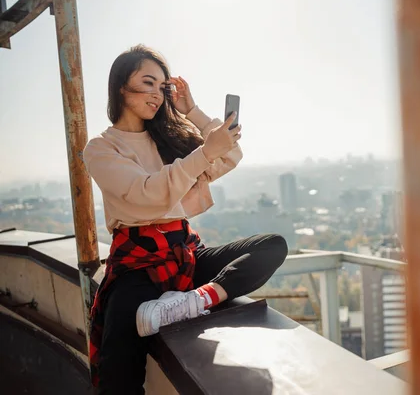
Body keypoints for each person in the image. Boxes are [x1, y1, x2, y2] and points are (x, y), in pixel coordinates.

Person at [83, 44, 288, 394]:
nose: (157, 94)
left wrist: (192, 111)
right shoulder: (102, 148)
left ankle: (197, 300)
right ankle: (183, 302)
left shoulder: (168, 139)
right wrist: (206, 149)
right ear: (121, 86)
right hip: (137, 264)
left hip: (185, 253)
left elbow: (230, 154)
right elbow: (147, 192)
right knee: (118, 373)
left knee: (271, 247)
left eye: (162, 87)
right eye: (148, 83)